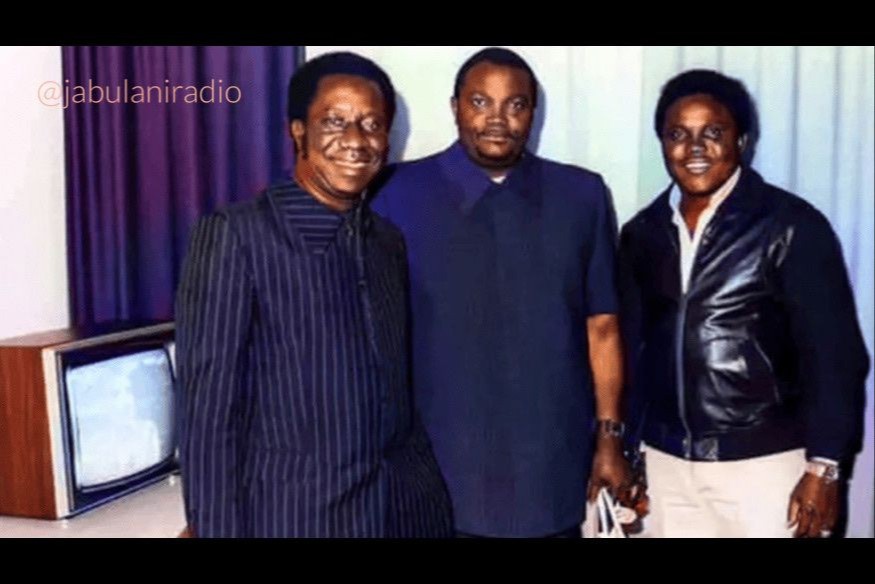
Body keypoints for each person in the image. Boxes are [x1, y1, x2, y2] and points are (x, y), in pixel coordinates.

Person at [175, 51, 454, 538]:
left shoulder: (386, 241)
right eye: (334, 122)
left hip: (404, 514)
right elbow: (208, 418)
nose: (356, 140)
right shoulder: (238, 235)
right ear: (298, 131)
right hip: (298, 518)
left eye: (373, 124)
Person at [371, 47, 632, 538]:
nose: (497, 119)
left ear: (533, 113)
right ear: (455, 107)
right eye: (480, 102)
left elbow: (602, 327)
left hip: (551, 469)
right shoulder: (395, 194)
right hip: (436, 471)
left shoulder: (581, 196)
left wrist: (609, 438)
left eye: (515, 105)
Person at [618, 69, 869, 538]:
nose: (695, 148)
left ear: (742, 141)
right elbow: (632, 352)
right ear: (662, 143)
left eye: (713, 133)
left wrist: (825, 466)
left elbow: (835, 357)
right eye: (678, 134)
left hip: (767, 466)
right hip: (666, 466)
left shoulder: (790, 226)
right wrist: (627, 450)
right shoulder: (641, 235)